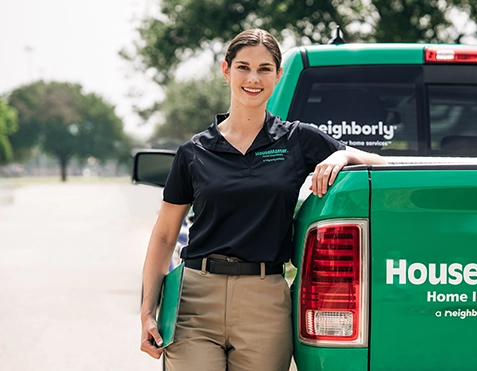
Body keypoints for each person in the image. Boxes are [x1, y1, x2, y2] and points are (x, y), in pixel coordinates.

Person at [139, 28, 387, 371]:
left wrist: (341, 156)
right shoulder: (194, 152)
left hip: (265, 301)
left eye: (264, 69)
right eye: (243, 67)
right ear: (226, 71)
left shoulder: (297, 140)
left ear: (277, 75)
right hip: (195, 300)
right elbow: (165, 235)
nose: (253, 78)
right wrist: (147, 312)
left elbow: (382, 164)